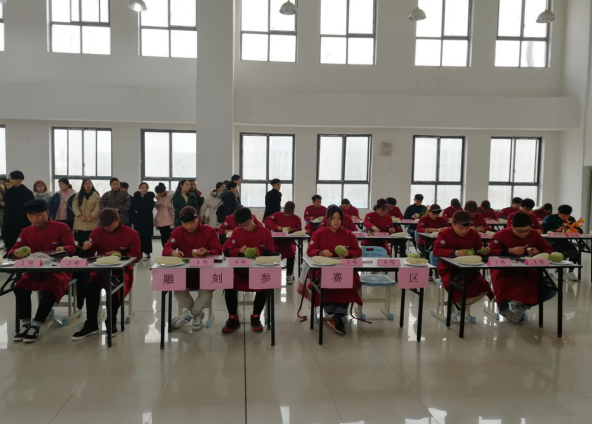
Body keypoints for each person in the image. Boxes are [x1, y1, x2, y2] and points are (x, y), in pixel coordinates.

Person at [10, 200, 76, 343]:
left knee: (50, 288)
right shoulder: (26, 231)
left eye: (38, 215)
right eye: (31, 216)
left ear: (47, 212)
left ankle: (36, 325)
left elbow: (72, 247)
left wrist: (64, 249)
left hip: (58, 271)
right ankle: (26, 324)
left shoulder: (61, 227)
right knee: (20, 287)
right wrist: (16, 254)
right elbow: (13, 250)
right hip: (35, 271)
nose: (35, 219)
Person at [72, 208, 141, 340]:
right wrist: (86, 248)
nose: (106, 228)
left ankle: (111, 320)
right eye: (103, 225)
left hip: (121, 271)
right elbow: (89, 254)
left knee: (114, 289)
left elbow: (137, 256)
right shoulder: (98, 231)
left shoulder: (131, 234)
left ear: (118, 221)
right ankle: (91, 323)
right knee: (91, 287)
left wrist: (120, 254)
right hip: (100, 269)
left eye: (108, 225)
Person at [163, 207, 223, 331]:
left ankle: (189, 315)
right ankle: (197, 315)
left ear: (198, 219)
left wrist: (207, 252)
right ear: (181, 223)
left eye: (192, 222)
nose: (189, 226)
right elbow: (166, 249)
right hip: (186, 272)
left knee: (207, 291)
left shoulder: (209, 231)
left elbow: (218, 251)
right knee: (178, 289)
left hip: (205, 271)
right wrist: (173, 252)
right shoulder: (177, 232)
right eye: (185, 223)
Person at [489, 213, 556, 323]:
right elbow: (490, 252)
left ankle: (522, 305)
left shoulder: (534, 234)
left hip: (526, 272)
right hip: (504, 272)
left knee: (550, 290)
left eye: (527, 230)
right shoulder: (501, 235)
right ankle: (504, 309)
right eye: (520, 231)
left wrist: (538, 251)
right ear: (512, 226)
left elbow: (549, 250)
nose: (524, 234)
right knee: (502, 288)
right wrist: (508, 250)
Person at [307, 205, 363, 336]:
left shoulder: (348, 234)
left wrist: (349, 252)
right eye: (333, 218)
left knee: (349, 282)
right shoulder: (318, 234)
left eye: (339, 218)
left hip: (345, 270)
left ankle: (336, 317)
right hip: (323, 270)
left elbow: (358, 251)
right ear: (327, 219)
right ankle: (333, 312)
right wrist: (320, 252)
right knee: (324, 282)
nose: (336, 221)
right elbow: (310, 251)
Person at [221, 207, 276, 334]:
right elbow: (229, 250)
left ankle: (256, 316)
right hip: (240, 272)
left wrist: (261, 252)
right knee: (228, 283)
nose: (245, 227)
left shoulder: (265, 232)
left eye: (247, 224)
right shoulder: (236, 232)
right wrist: (239, 250)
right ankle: (233, 317)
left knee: (264, 283)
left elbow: (271, 252)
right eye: (241, 225)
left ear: (252, 218)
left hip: (258, 271)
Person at [433, 211, 494, 323]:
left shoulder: (474, 234)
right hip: (449, 269)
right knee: (454, 285)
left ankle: (459, 306)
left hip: (470, 270)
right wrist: (455, 253)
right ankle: (458, 306)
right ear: (453, 224)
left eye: (467, 228)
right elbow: (436, 251)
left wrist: (483, 251)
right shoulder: (444, 234)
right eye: (461, 228)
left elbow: (479, 248)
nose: (464, 231)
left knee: (482, 284)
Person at [263, 201, 302, 285]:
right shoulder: (277, 215)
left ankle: (289, 274)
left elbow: (299, 229)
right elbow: (266, 220)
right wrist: (276, 226)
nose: (287, 216)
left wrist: (292, 229)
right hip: (277, 242)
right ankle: (274, 273)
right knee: (273, 253)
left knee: (291, 253)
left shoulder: (297, 218)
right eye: (286, 214)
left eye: (289, 214)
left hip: (289, 242)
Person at [542, 205, 582, 281]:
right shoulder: (550, 218)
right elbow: (543, 230)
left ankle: (570, 272)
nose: (566, 217)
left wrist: (576, 231)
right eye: (564, 215)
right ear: (558, 213)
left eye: (568, 215)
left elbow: (579, 230)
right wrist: (556, 230)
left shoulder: (571, 219)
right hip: (550, 241)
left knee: (575, 253)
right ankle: (558, 272)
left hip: (563, 241)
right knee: (560, 253)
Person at [3, 171, 35, 254]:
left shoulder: (27, 193)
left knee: (20, 238)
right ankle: (10, 253)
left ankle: (22, 254)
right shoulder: (8, 192)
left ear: (19, 179)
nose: (10, 181)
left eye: (12, 179)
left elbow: (30, 209)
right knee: (8, 236)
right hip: (9, 219)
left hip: (22, 220)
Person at [72, 179, 101, 247]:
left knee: (92, 243)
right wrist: (79, 215)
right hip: (79, 223)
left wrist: (92, 216)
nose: (88, 185)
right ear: (83, 185)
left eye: (89, 184)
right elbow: (74, 206)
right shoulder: (78, 195)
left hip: (92, 222)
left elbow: (98, 207)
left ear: (92, 185)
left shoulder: (96, 196)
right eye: (86, 184)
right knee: (80, 243)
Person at [131, 182, 156, 260]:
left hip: (147, 218)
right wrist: (142, 207)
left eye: (146, 188)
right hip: (138, 219)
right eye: (142, 188)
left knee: (147, 236)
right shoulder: (136, 196)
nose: (144, 189)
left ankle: (147, 253)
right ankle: (140, 252)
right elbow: (134, 206)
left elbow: (150, 207)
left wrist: (140, 208)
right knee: (139, 236)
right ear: (139, 188)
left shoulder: (150, 196)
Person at [154, 183, 175, 247]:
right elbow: (158, 209)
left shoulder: (171, 196)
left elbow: (174, 207)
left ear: (164, 190)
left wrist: (164, 204)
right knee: (163, 237)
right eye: (158, 193)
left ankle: (170, 250)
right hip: (160, 220)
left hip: (169, 220)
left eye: (161, 193)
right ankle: (165, 250)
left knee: (169, 237)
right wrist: (157, 205)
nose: (159, 194)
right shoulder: (158, 198)